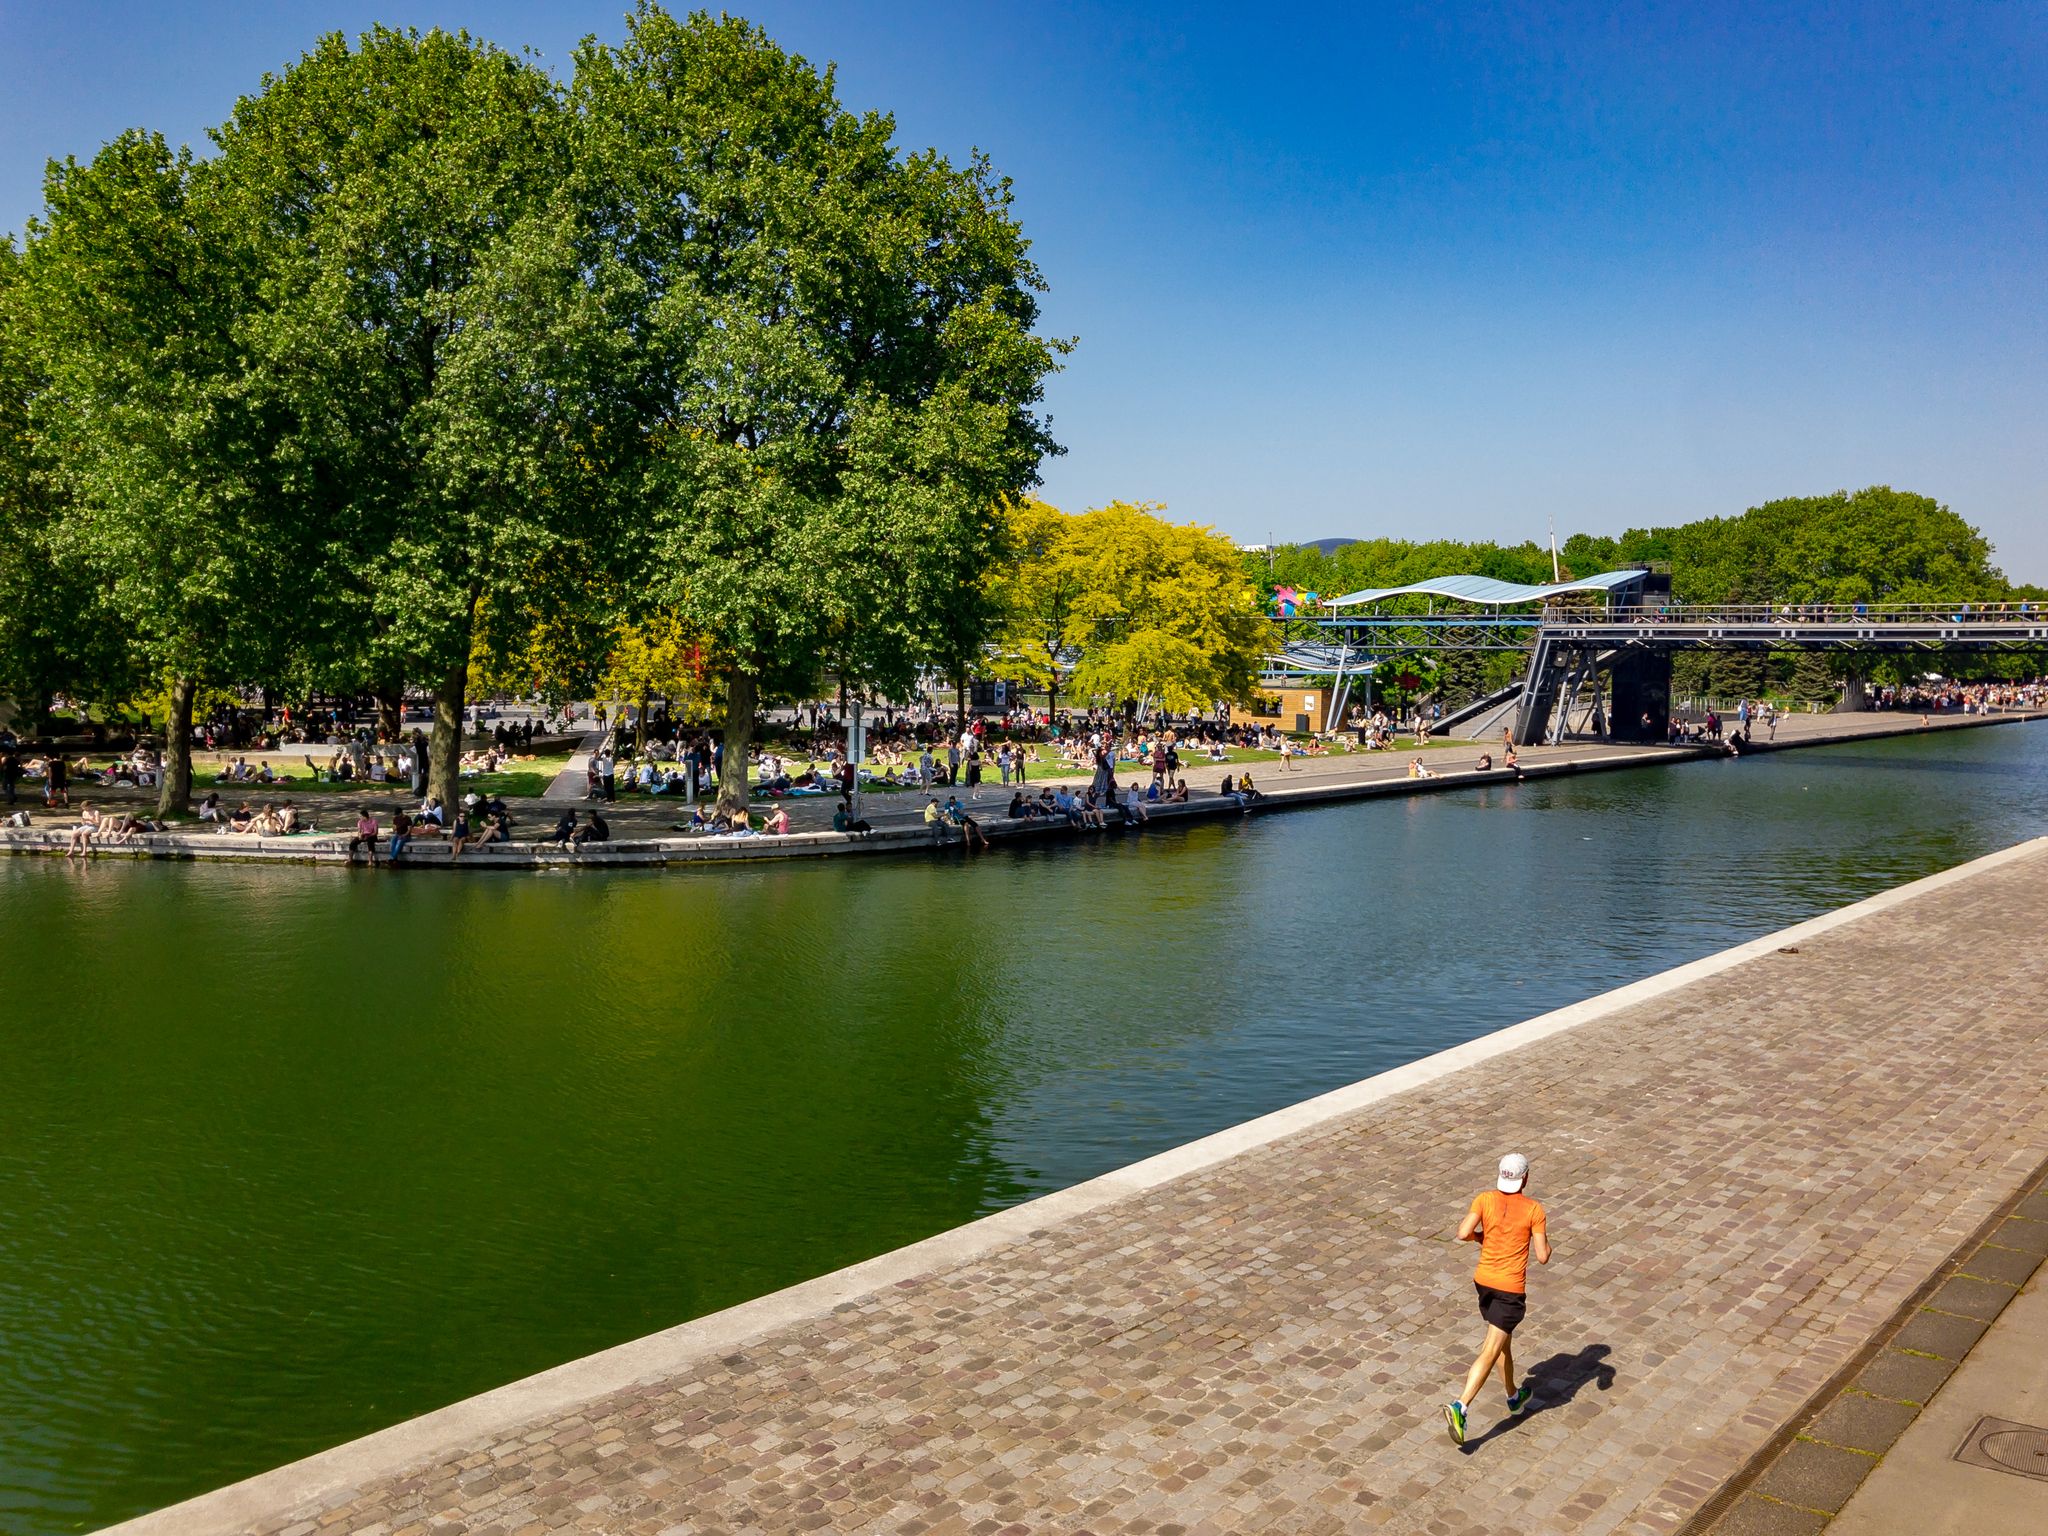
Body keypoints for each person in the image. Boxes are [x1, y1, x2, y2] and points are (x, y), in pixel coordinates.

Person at [1444, 1153, 1550, 1445]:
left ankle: (1514, 1397)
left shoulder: (1484, 1199)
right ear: (1525, 1178)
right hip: (1509, 1289)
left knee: (1503, 1343)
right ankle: (1461, 1406)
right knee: (1491, 1349)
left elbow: (1463, 1232)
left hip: (1484, 1283)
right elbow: (1542, 1257)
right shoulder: (1534, 1210)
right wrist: (1541, 1238)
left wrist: (1481, 1238)